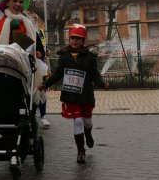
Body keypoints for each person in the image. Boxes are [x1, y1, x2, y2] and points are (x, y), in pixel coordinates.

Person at [37, 25, 109, 164]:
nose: (74, 41)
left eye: (78, 38)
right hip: (71, 95)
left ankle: (88, 134)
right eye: (72, 38)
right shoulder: (64, 56)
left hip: (86, 95)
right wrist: (45, 84)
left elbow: (95, 75)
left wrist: (103, 84)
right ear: (69, 39)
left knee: (87, 121)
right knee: (78, 121)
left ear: (83, 41)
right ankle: (81, 151)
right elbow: (58, 74)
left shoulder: (90, 57)